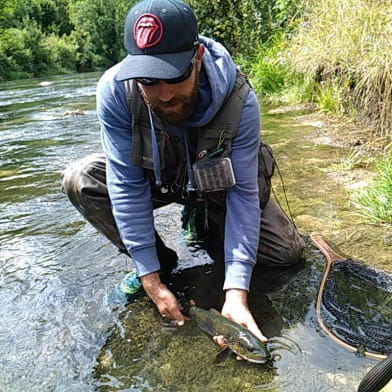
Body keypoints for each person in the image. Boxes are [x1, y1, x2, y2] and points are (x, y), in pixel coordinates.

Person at [62, 0, 304, 344]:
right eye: (149, 80)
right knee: (80, 178)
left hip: (219, 183)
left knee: (286, 255)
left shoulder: (241, 101)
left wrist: (236, 292)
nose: (163, 94)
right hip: (157, 179)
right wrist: (150, 276)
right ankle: (159, 260)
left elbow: (244, 196)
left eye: (175, 76)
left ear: (198, 58)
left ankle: (202, 218)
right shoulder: (115, 91)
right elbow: (126, 184)